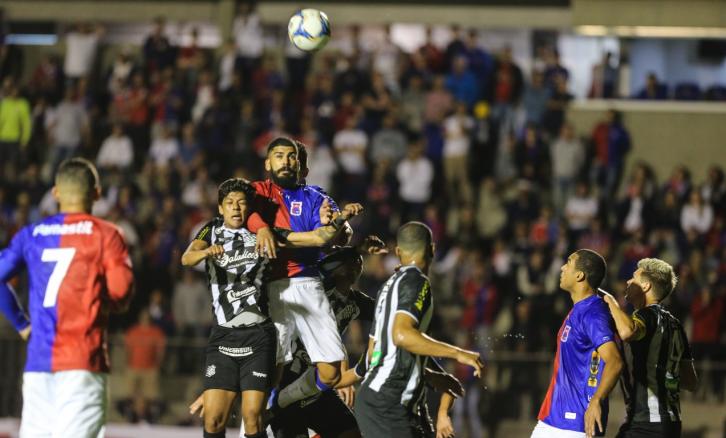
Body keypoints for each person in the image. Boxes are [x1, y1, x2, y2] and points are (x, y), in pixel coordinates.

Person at [181, 177, 361, 438]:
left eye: (241, 203)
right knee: (213, 420)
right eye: (229, 203)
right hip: (223, 335)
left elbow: (315, 238)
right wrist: (206, 253)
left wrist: (339, 219)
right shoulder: (211, 231)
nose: (235, 208)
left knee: (253, 417)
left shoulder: (265, 234)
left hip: (258, 336)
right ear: (220, 208)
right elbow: (187, 257)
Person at [0, 157, 134, 437]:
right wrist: (101, 304)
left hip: (39, 365)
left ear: (55, 193)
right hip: (82, 362)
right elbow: (122, 292)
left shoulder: (32, 233)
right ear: (97, 193)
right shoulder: (106, 235)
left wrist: (22, 324)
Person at [245, 137, 365, 413]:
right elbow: (246, 214)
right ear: (268, 163)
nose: (285, 162)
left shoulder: (316, 197)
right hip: (270, 284)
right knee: (269, 368)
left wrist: (337, 224)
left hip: (308, 282)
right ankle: (253, 426)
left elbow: (339, 236)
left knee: (332, 373)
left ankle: (281, 401)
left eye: (291, 157)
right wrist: (263, 228)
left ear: (300, 165)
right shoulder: (258, 192)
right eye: (279, 156)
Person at [355, 221, 484, 437]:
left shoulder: (388, 287)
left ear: (397, 252)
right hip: (388, 403)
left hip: (378, 400)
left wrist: (427, 375)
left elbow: (374, 352)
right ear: (432, 249)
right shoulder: (417, 281)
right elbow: (401, 334)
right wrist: (458, 353)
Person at [601, 258, 699, 438]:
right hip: (671, 422)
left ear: (645, 286)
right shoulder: (676, 324)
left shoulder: (646, 315)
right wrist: (663, 375)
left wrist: (611, 303)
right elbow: (690, 382)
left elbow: (627, 332)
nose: (628, 282)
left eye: (634, 277)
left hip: (645, 423)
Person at [531, 249, 623, 438]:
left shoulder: (593, 314)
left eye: (569, 263)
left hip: (575, 423)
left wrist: (597, 400)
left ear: (580, 275)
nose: (562, 268)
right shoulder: (581, 309)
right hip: (555, 418)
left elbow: (615, 361)